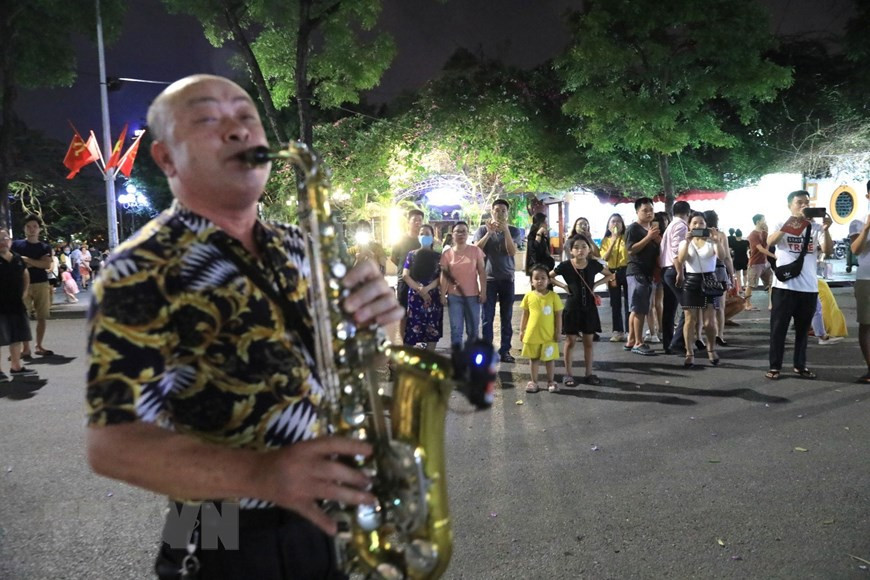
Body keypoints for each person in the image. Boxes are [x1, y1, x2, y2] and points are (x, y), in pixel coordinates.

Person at [85, 74, 402, 578]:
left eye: (246, 116)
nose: (238, 130)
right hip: (209, 520)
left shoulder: (304, 246)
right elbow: (112, 445)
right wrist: (263, 475)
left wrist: (374, 312)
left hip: (327, 508)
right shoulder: (137, 268)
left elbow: (345, 357)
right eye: (209, 118)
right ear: (165, 158)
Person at [765, 190, 833, 380]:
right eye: (799, 203)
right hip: (784, 287)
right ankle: (775, 366)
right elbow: (770, 242)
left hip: (808, 288)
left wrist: (827, 229)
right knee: (778, 329)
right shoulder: (781, 223)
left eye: (807, 203)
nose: (804, 206)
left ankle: (800, 365)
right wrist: (792, 222)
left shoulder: (816, 227)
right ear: (790, 206)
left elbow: (827, 249)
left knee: (803, 331)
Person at [551, 235, 613, 386]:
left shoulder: (593, 264)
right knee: (570, 341)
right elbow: (550, 276)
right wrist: (564, 286)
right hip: (572, 308)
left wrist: (596, 284)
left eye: (584, 247)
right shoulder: (565, 266)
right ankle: (568, 374)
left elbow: (610, 275)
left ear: (589, 249)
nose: (580, 250)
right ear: (571, 251)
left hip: (589, 308)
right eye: (577, 247)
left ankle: (589, 373)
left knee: (588, 342)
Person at [474, 199, 523, 363]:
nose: (500, 213)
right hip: (488, 280)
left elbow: (511, 251)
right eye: (497, 210)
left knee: (506, 317)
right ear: (491, 212)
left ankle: (505, 351)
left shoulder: (515, 231)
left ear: (507, 213)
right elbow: (476, 251)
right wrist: (489, 233)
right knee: (487, 318)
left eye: (503, 210)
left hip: (507, 279)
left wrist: (506, 231)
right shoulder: (482, 230)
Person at [676, 212, 721, 368]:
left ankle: (711, 349)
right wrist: (687, 242)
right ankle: (689, 352)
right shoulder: (684, 243)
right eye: (694, 223)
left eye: (701, 223)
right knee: (690, 319)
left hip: (709, 280)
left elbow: (721, 256)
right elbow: (681, 260)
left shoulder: (711, 241)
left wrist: (716, 241)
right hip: (691, 281)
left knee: (709, 322)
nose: (697, 226)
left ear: (706, 225)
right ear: (689, 225)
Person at [12, 215, 55, 359]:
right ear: (24, 228)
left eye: (35, 227)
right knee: (23, 317)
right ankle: (26, 348)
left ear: (40, 229)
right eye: (28, 226)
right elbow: (13, 262)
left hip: (41, 283)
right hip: (21, 284)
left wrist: (26, 260)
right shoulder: (16, 245)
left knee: (42, 316)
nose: (32, 229)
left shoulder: (44, 246)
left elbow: (46, 264)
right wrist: (36, 262)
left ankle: (39, 345)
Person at [440, 221, 487, 349]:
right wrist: (442, 294)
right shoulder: (447, 254)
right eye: (458, 231)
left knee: (473, 331)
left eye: (464, 231)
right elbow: (444, 276)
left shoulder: (476, 251)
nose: (461, 234)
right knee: (456, 331)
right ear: (452, 234)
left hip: (473, 296)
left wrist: (483, 291)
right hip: (454, 297)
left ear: (468, 234)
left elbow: (482, 272)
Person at [624, 198, 661, 356]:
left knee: (636, 309)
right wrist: (648, 237)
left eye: (651, 210)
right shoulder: (633, 229)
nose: (649, 213)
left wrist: (657, 240)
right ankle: (639, 343)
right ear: (637, 212)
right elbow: (631, 250)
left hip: (647, 273)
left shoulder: (651, 229)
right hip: (636, 271)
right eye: (645, 210)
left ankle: (631, 340)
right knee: (639, 309)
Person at [519, 264, 564, 393]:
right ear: (532, 282)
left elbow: (558, 315)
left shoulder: (553, 297)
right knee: (533, 359)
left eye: (543, 278)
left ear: (548, 281)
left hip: (548, 336)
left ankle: (551, 381)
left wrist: (558, 332)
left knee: (549, 359)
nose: (540, 281)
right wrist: (522, 331)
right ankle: (534, 382)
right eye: (536, 278)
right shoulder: (528, 296)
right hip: (532, 335)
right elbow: (525, 314)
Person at [0, 230, 35, 382]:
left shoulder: (17, 258)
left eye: (5, 238)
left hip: (16, 304)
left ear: (10, 240)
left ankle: (16, 366)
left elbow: (25, 274)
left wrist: (25, 291)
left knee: (16, 337)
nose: (2, 241)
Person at [402, 224, 442, 350]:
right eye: (421, 233)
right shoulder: (411, 255)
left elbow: (440, 278)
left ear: (432, 237)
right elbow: (405, 275)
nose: (424, 236)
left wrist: (427, 289)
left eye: (427, 233)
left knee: (432, 328)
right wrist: (420, 290)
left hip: (433, 296)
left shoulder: (438, 256)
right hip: (415, 296)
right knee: (412, 329)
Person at [661, 201, 691, 355]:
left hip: (667, 270)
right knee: (689, 307)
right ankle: (677, 343)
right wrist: (680, 271)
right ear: (688, 212)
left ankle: (669, 343)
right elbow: (676, 251)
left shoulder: (671, 225)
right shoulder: (680, 226)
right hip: (674, 270)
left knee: (670, 310)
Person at [391, 209, 424, 340]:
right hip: (404, 281)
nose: (417, 223)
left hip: (421, 282)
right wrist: (404, 270)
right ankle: (405, 341)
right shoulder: (400, 240)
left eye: (420, 220)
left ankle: (418, 340)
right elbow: (394, 259)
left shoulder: (424, 240)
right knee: (403, 313)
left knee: (420, 312)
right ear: (408, 222)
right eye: (415, 220)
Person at [849, 180, 870, 383]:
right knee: (867, 324)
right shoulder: (857, 221)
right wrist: (866, 229)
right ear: (868, 196)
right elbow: (855, 250)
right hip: (866, 278)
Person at [703, 210, 734, 347]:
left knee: (703, 306)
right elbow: (726, 257)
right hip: (720, 271)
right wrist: (732, 275)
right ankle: (719, 335)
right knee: (720, 307)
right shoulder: (721, 235)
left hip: (703, 272)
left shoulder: (699, 235)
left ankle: (702, 335)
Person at [599, 213, 629, 342]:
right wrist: (612, 241)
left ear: (623, 225)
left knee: (629, 302)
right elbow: (604, 257)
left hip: (626, 270)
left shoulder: (627, 238)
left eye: (618, 222)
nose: (615, 224)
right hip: (612, 273)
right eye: (613, 222)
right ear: (608, 225)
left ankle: (630, 331)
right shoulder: (606, 240)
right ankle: (618, 331)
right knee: (615, 302)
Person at [645, 211, 670, 345]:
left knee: (655, 303)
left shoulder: (660, 236)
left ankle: (658, 329)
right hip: (656, 270)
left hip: (656, 271)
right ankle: (657, 329)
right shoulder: (661, 235)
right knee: (655, 303)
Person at [746, 214, 773, 311]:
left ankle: (771, 305)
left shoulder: (764, 234)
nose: (765, 222)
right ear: (758, 222)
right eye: (763, 220)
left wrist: (768, 231)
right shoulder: (753, 235)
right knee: (751, 285)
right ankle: (747, 304)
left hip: (764, 263)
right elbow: (761, 249)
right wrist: (774, 256)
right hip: (755, 264)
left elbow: (768, 245)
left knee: (771, 284)